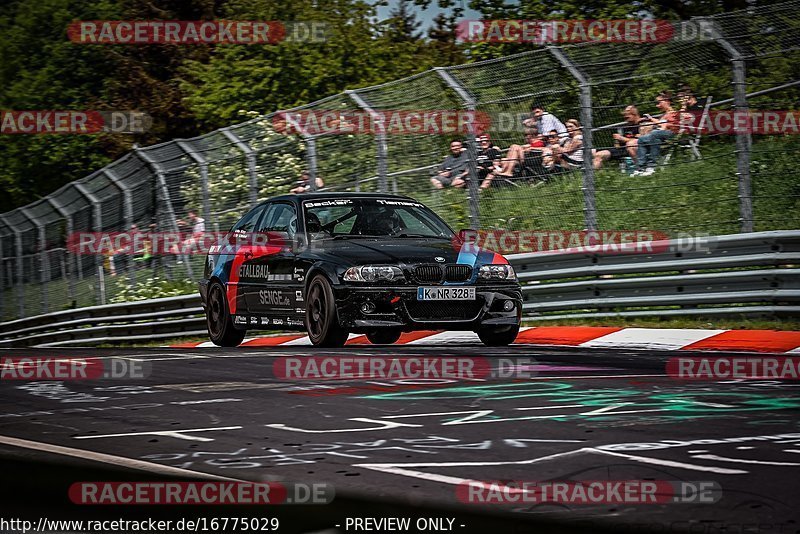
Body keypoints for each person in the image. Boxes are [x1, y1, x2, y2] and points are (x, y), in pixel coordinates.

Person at [634, 91, 682, 176]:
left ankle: (651, 166)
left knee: (654, 133)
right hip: (659, 135)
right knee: (643, 139)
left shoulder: (673, 113)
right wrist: (650, 119)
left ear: (667, 101)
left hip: (671, 134)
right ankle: (641, 168)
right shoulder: (664, 115)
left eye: (659, 102)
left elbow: (664, 126)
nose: (657, 105)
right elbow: (661, 125)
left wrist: (652, 121)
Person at [593, 105, 647, 170]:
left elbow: (641, 140)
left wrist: (622, 139)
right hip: (620, 149)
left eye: (627, 117)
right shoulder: (626, 127)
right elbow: (618, 145)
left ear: (635, 114)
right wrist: (618, 141)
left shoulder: (642, 124)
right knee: (595, 153)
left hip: (632, 149)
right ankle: (592, 176)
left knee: (600, 155)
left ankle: (640, 169)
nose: (625, 119)